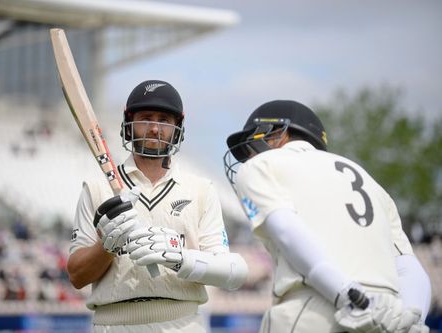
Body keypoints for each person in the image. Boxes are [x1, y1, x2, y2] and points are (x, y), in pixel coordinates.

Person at [223, 100, 432, 333]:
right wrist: (413, 318)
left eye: (250, 147)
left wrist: (347, 293)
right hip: (388, 313)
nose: (249, 157)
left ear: (276, 135)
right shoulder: (370, 181)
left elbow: (285, 228)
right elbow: (408, 266)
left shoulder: (261, 165)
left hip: (318, 303)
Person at [67, 79, 248, 332]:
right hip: (113, 324)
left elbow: (229, 272)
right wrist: (107, 245)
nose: (154, 128)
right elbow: (77, 276)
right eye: (146, 118)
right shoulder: (96, 188)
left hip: (183, 323)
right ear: (129, 124)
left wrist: (180, 258)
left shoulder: (200, 189)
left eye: (164, 119)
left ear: (177, 127)